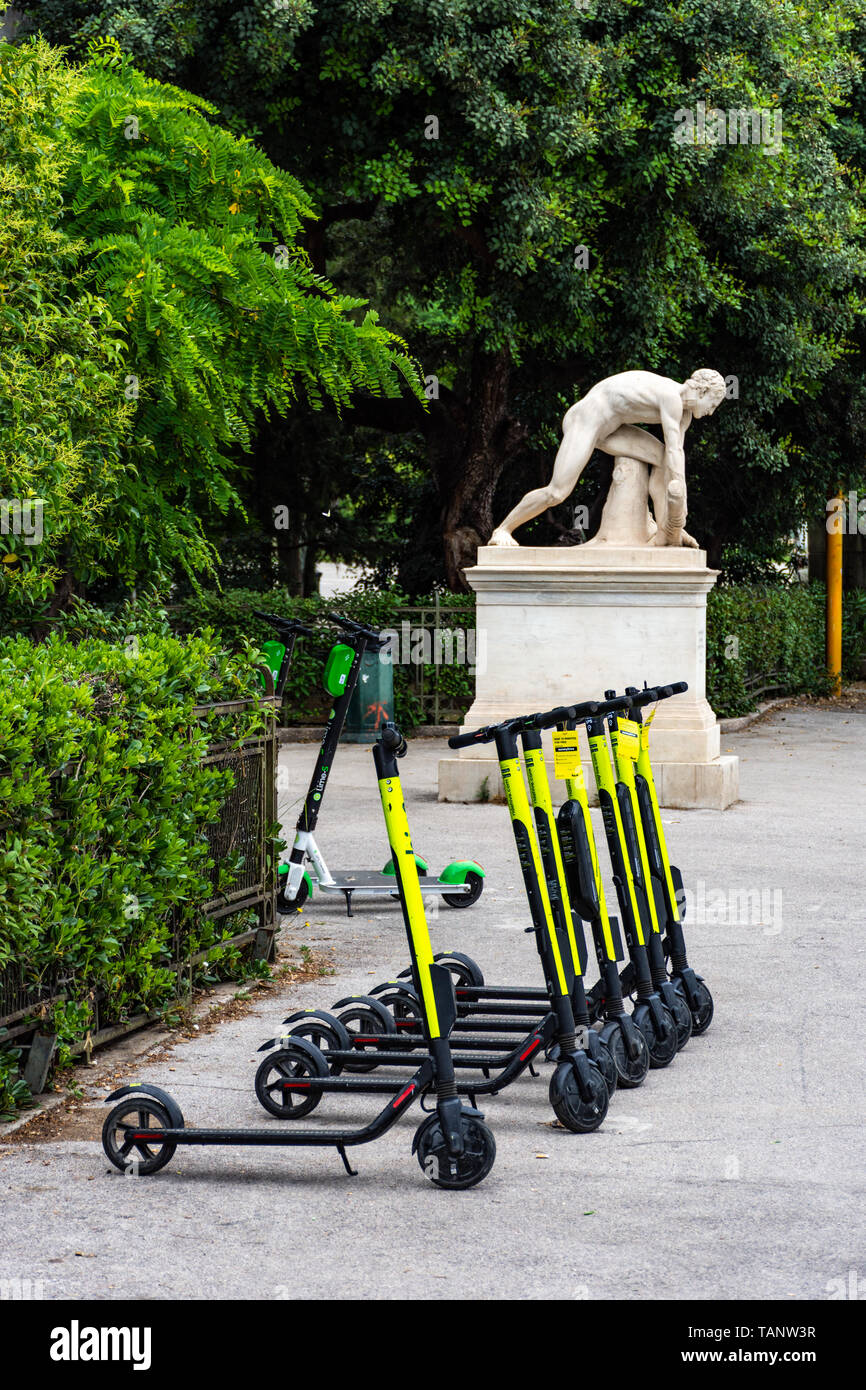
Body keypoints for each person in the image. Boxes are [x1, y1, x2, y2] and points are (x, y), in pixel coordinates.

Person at [489, 368, 726, 548]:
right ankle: (502, 530)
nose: (711, 411)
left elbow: (676, 457)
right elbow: (675, 452)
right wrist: (682, 498)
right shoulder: (672, 397)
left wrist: (678, 518)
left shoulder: (684, 414)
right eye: (713, 404)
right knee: (557, 491)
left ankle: (668, 529)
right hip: (587, 420)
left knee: (663, 460)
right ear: (702, 391)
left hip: (612, 429)